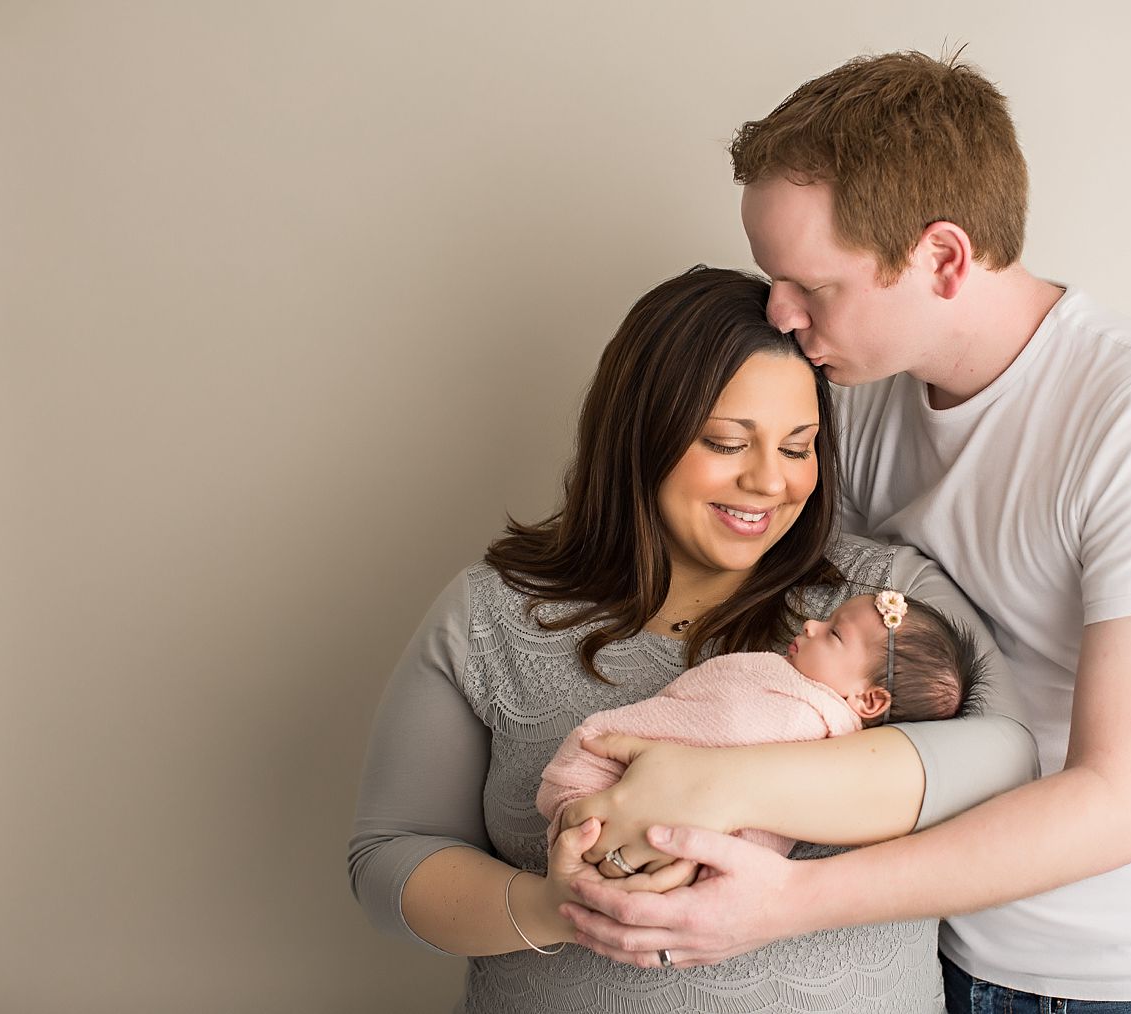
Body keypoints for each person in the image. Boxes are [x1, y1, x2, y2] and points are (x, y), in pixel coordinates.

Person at [557, 53, 1131, 1011]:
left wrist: (785, 902)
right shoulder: (854, 400)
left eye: (811, 286)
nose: (778, 312)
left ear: (943, 258)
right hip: (929, 945)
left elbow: (1117, 802)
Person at [347, 265, 1037, 1013]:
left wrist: (712, 788)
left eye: (798, 447)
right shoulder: (492, 615)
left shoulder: (881, 601)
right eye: (726, 441)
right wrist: (560, 907)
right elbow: (391, 860)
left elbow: (1005, 757)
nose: (770, 483)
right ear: (642, 436)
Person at [538, 591, 990, 858]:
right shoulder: (795, 692)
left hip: (633, 790)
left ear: (869, 699)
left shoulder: (804, 718)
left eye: (834, 633)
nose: (811, 624)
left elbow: (725, 727)